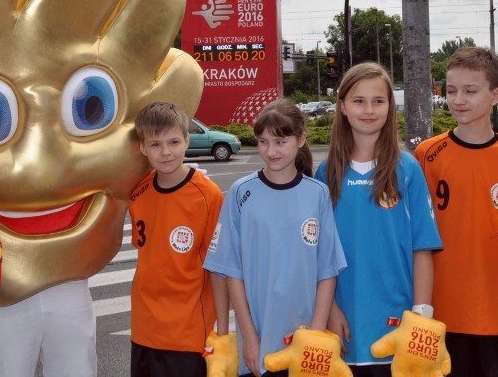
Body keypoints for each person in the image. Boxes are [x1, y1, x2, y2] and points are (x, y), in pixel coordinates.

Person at [315, 62, 442, 375]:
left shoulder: (407, 169)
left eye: (378, 101)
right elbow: (317, 255)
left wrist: (420, 318)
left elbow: (422, 248)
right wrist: (330, 310)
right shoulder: (326, 172)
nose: (368, 109)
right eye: (359, 101)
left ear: (390, 106)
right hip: (342, 324)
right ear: (342, 106)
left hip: (397, 325)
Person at [414, 46, 498, 377]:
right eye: (451, 90)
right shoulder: (427, 154)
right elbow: (416, 238)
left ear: (496, 95)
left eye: (470, 91)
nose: (458, 99)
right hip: (444, 315)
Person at [204, 99, 346, 377]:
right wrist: (249, 337)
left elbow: (327, 271)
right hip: (258, 338)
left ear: (301, 139)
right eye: (263, 142)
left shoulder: (317, 193)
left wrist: (315, 336)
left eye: (281, 142)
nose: (271, 151)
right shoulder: (240, 192)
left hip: (306, 340)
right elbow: (231, 271)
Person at [128, 102, 227, 377]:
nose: (166, 152)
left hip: (189, 332)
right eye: (155, 144)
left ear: (186, 140)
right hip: (144, 328)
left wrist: (223, 333)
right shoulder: (138, 193)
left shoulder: (208, 196)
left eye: (173, 141)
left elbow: (219, 268)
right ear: (142, 148)